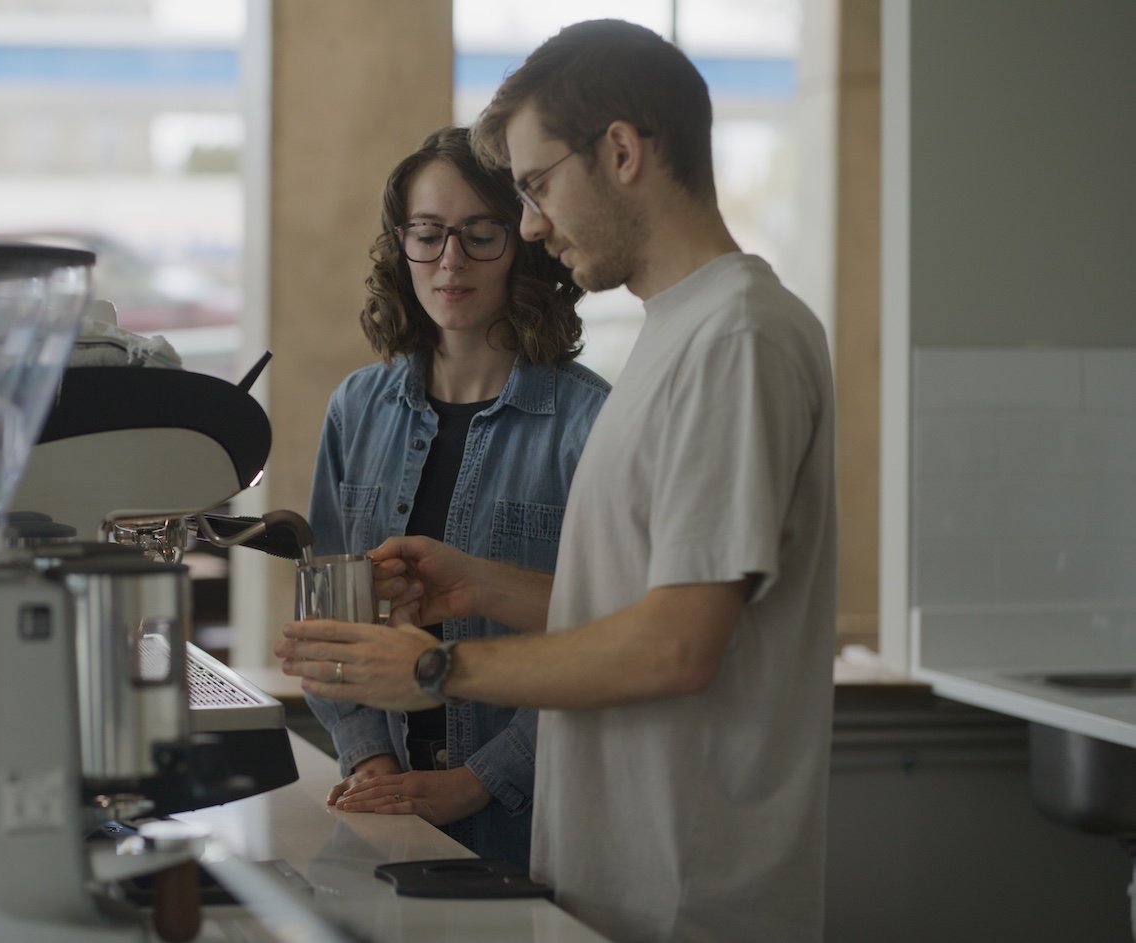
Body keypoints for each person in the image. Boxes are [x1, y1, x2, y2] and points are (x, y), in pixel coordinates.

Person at [276, 20, 837, 943]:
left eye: (533, 189)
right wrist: (484, 585)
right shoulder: (678, 332)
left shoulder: (737, 337)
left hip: (690, 893)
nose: (532, 225)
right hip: (616, 877)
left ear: (619, 151)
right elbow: (639, 601)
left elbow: (676, 647)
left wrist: (431, 664)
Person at [304, 126, 609, 866]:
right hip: (383, 807)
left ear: (526, 243)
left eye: (480, 235)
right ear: (399, 244)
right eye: (429, 234)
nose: (450, 262)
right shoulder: (357, 407)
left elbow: (608, 638)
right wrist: (371, 760)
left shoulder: (590, 421)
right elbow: (326, 617)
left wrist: (478, 780)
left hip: (529, 820)